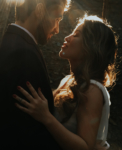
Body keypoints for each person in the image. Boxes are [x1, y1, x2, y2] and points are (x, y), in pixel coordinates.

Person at [12, 15, 118, 150]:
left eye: (76, 35)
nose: (67, 37)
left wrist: (46, 118)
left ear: (90, 47)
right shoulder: (68, 80)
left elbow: (85, 147)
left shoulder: (92, 90)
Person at [0, 0, 71, 149]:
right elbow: (26, 129)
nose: (57, 29)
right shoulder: (22, 53)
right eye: (57, 18)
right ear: (39, 10)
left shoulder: (15, 42)